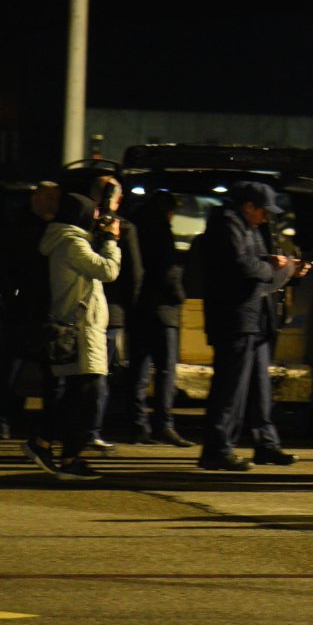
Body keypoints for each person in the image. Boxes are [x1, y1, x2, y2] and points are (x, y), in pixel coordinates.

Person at [197, 182, 304, 471]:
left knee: (256, 386)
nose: (266, 218)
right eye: (264, 212)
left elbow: (249, 261)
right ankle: (218, 449)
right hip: (235, 319)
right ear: (248, 207)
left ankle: (265, 444)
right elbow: (241, 265)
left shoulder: (246, 227)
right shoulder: (227, 224)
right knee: (230, 388)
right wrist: (273, 270)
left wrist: (272, 263)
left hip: (250, 319)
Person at [22, 193, 121, 482]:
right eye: (93, 215)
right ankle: (65, 457)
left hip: (80, 327)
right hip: (82, 329)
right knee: (86, 395)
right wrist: (112, 240)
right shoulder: (72, 242)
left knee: (76, 395)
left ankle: (48, 446)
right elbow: (108, 270)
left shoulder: (66, 239)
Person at [0, 181, 60, 440]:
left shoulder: (58, 229)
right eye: (45, 197)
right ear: (34, 199)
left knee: (50, 372)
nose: (50, 203)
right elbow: (0, 265)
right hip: (20, 310)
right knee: (9, 371)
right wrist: (13, 295)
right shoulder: (17, 228)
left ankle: (42, 424)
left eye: (54, 198)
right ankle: (3, 420)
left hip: (47, 310)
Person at [123, 190, 190, 446]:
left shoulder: (135, 225)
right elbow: (169, 270)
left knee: (138, 369)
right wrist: (180, 296)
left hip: (137, 308)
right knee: (165, 370)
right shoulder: (161, 230)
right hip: (162, 310)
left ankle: (138, 425)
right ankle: (164, 424)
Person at [90, 174, 142, 451]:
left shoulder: (79, 224)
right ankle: (92, 429)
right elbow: (133, 273)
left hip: (81, 308)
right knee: (101, 373)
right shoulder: (122, 228)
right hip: (112, 312)